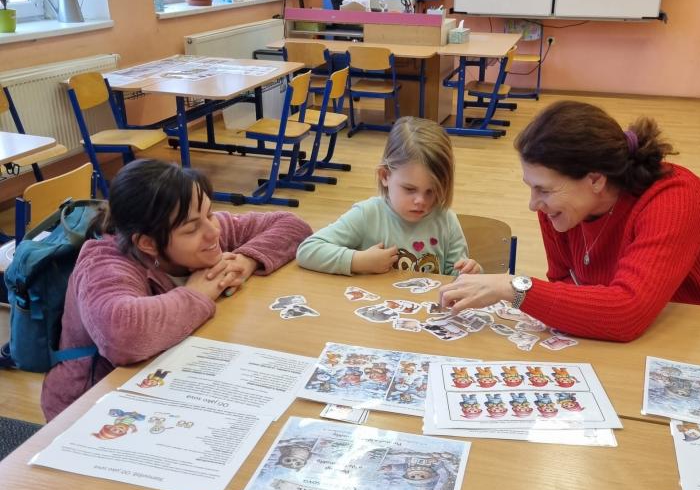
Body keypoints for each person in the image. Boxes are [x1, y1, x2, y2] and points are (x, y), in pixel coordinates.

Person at [441, 101, 700, 341]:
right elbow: (564, 282)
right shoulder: (561, 209)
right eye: (531, 187)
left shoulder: (676, 199)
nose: (533, 204)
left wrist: (514, 286)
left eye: (544, 189)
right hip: (645, 337)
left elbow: (627, 312)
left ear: (595, 180)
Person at [41, 159, 312, 420]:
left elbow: (293, 226)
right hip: (92, 404)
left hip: (172, 376)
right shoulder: (104, 264)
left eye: (209, 213)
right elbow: (122, 335)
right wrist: (198, 293)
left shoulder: (201, 231)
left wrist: (246, 260)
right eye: (192, 228)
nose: (213, 232)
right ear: (147, 244)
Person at [296, 116, 480, 276]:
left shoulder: (446, 220)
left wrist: (469, 273)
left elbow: (455, 276)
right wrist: (358, 261)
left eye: (431, 191)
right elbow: (308, 250)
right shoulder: (368, 214)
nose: (421, 201)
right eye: (409, 189)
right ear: (385, 176)